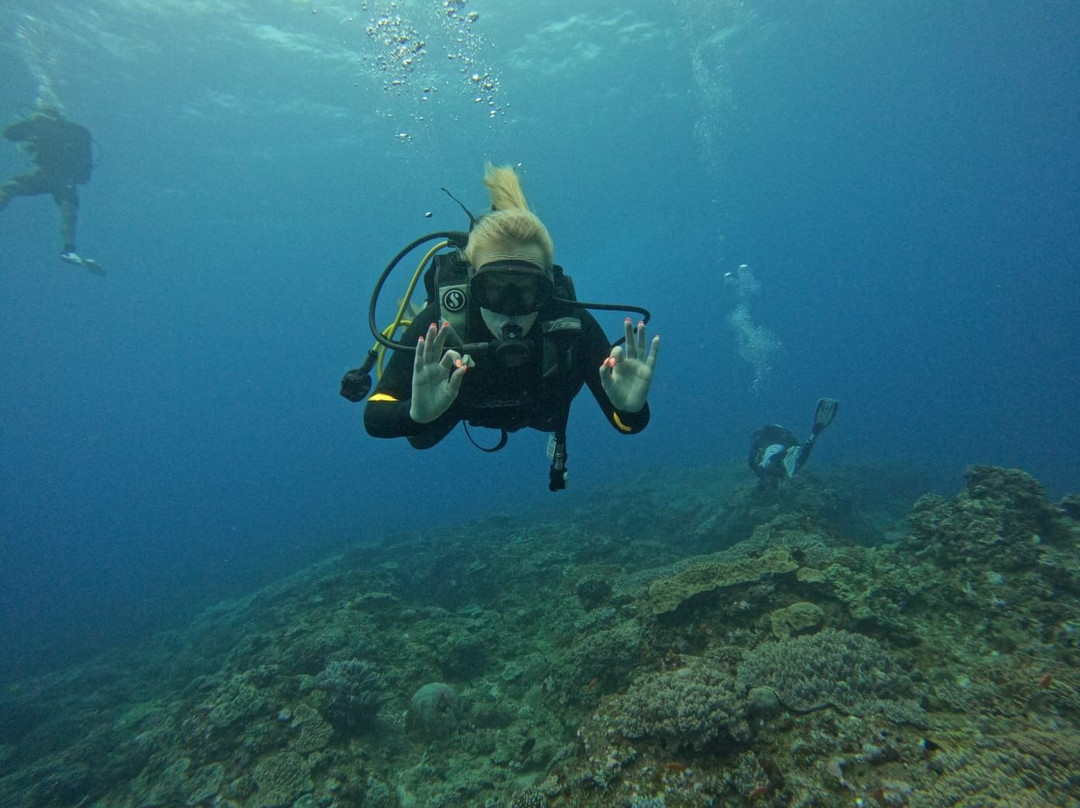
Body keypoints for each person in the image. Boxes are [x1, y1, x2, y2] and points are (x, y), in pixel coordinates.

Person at [361, 162, 660, 490]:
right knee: (419, 437)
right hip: (459, 405)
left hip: (541, 409)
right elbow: (375, 416)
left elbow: (628, 424)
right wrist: (415, 414)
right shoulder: (443, 322)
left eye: (527, 290)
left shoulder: (570, 326)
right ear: (473, 284)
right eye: (494, 289)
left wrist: (630, 409)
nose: (511, 310)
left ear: (548, 288)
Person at [0, 105, 102, 274]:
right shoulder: (40, 127)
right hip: (54, 178)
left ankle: (69, 250)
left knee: (68, 210)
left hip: (59, 179)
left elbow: (83, 139)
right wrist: (32, 123)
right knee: (10, 188)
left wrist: (38, 124)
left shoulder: (69, 130)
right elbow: (9, 134)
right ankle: (69, 249)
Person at [749, 398, 839, 484]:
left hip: (779, 446)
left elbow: (805, 450)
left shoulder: (787, 461)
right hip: (778, 446)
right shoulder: (791, 464)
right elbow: (805, 450)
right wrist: (815, 435)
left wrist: (815, 435)